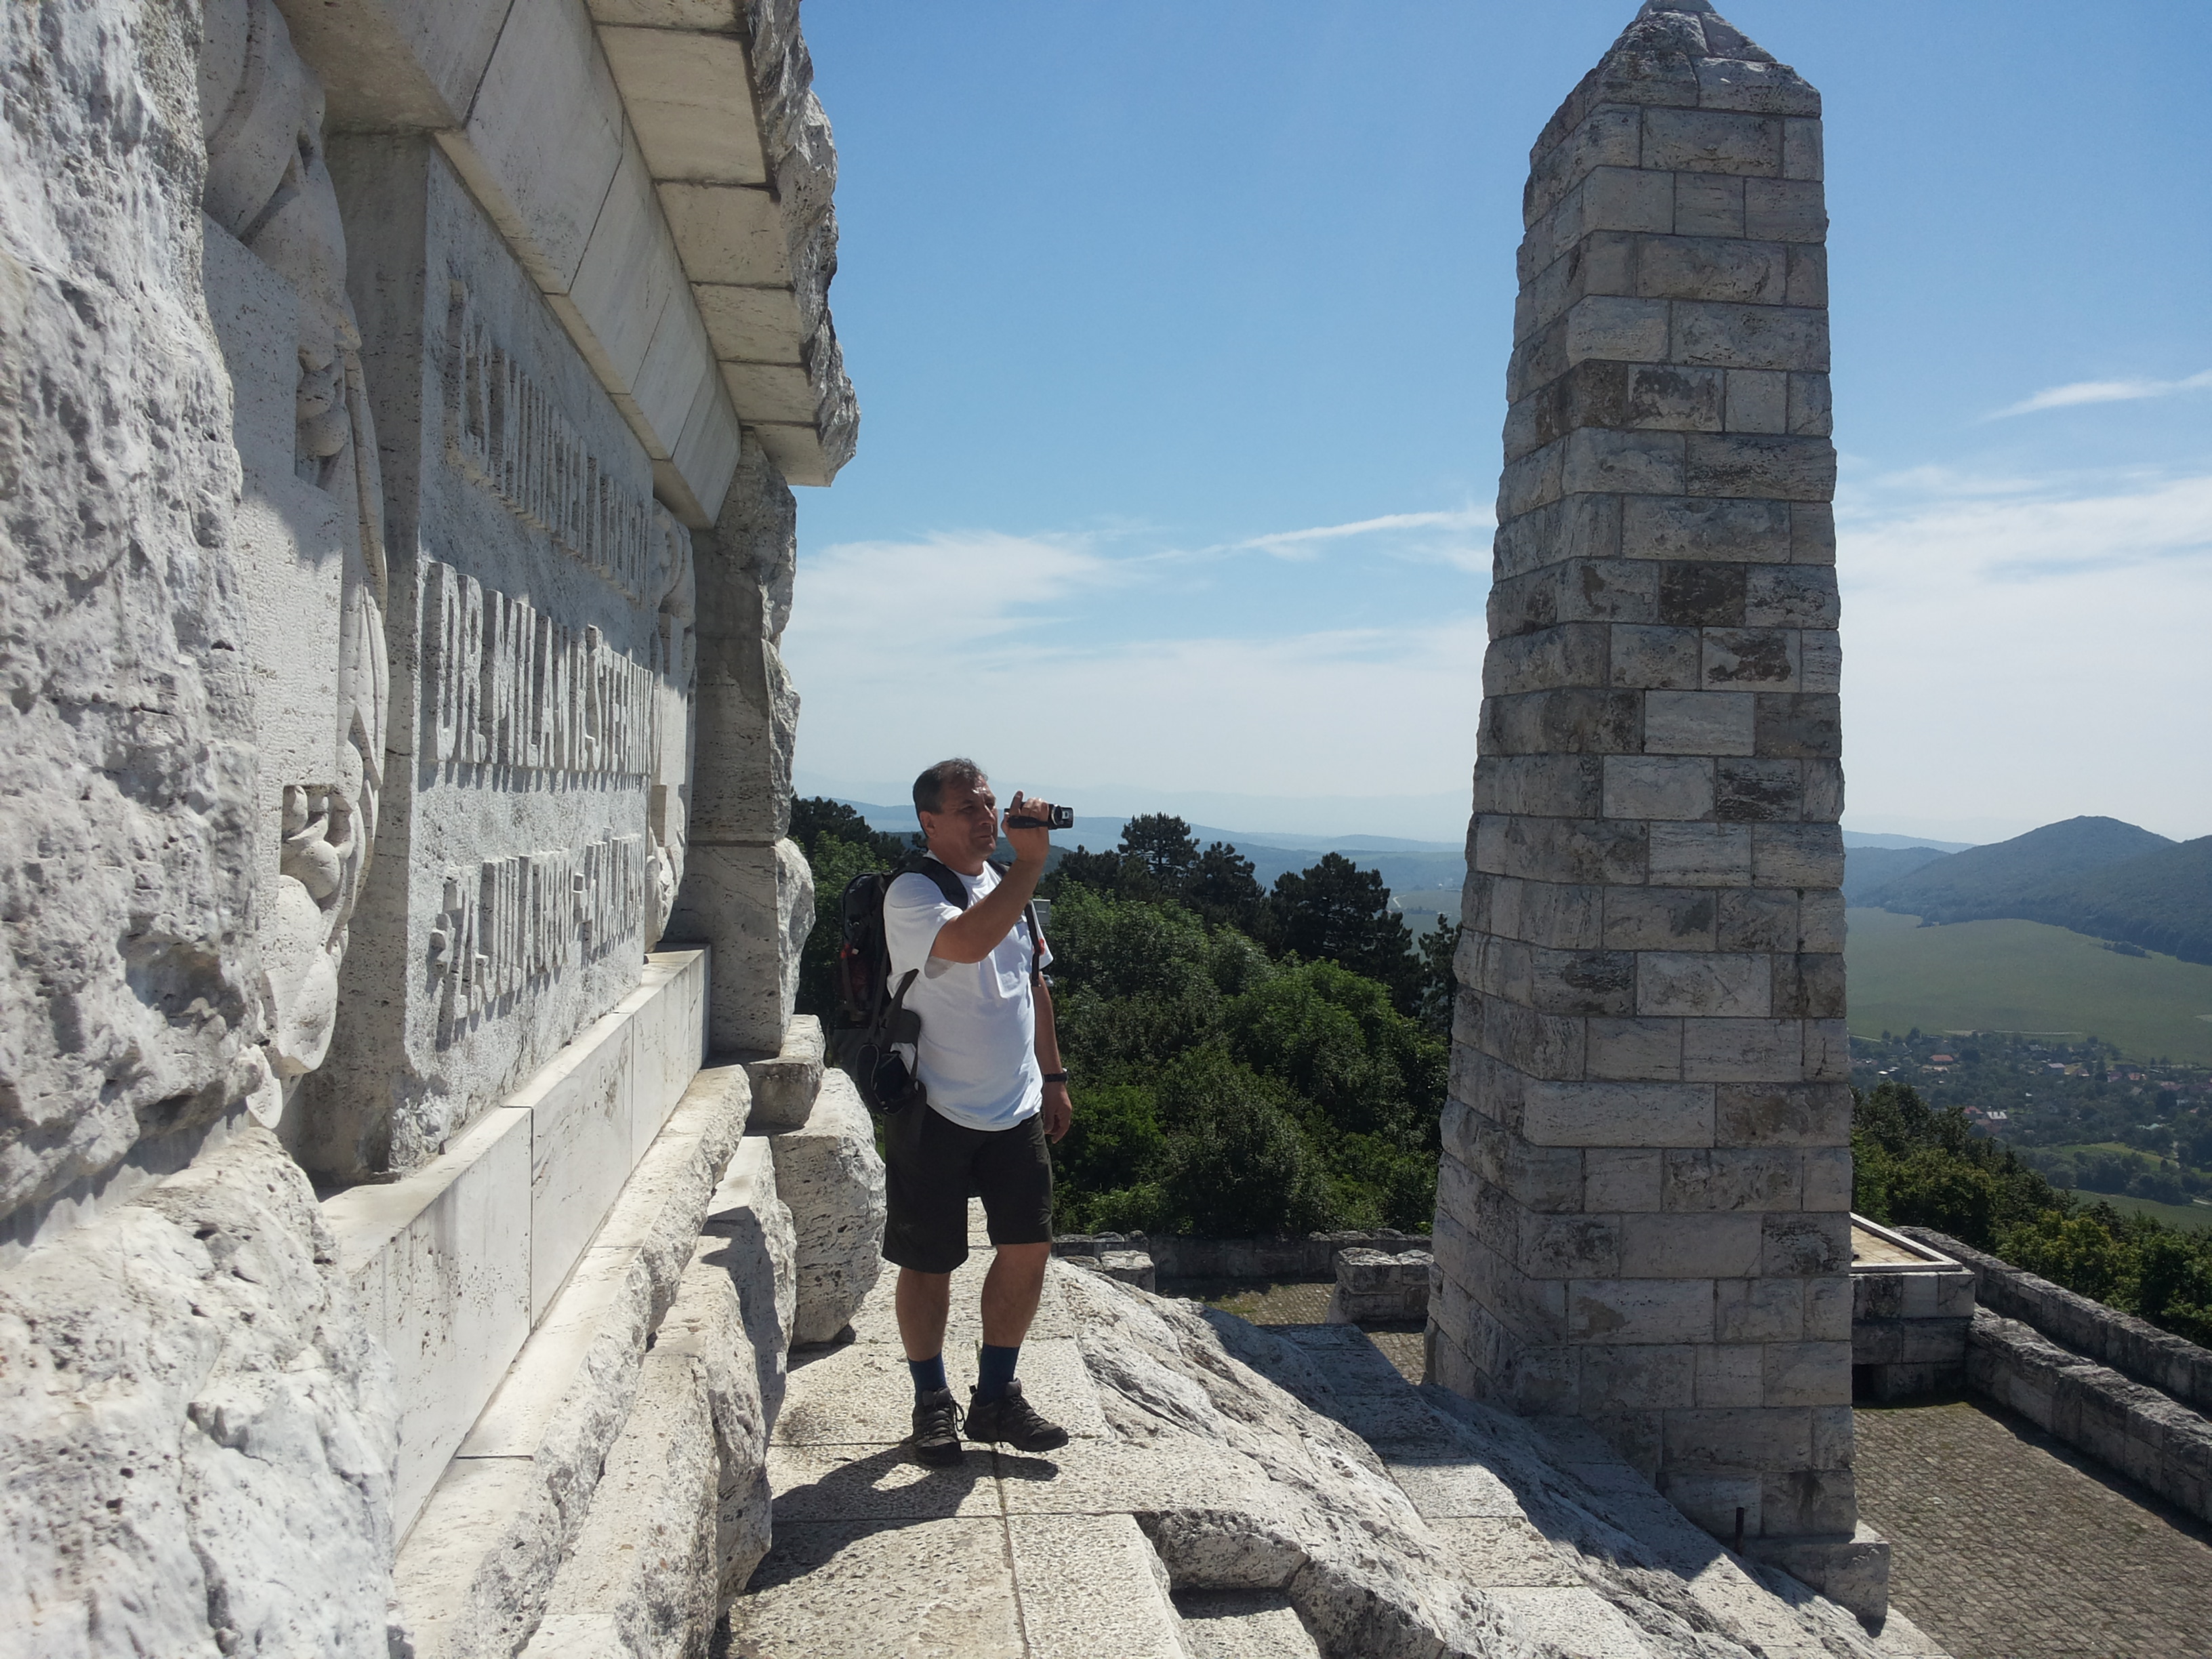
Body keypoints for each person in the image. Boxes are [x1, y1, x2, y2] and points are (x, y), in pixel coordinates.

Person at [880, 758, 1073, 1465]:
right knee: (928, 1262)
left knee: (1028, 1249)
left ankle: (996, 1398)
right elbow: (966, 943)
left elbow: (1035, 987)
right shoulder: (913, 891)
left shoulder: (1006, 887)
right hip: (933, 1106)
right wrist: (1030, 866)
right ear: (929, 822)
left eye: (989, 803)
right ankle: (931, 1402)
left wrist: (1053, 1078)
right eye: (968, 808)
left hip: (1015, 1106)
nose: (986, 817)